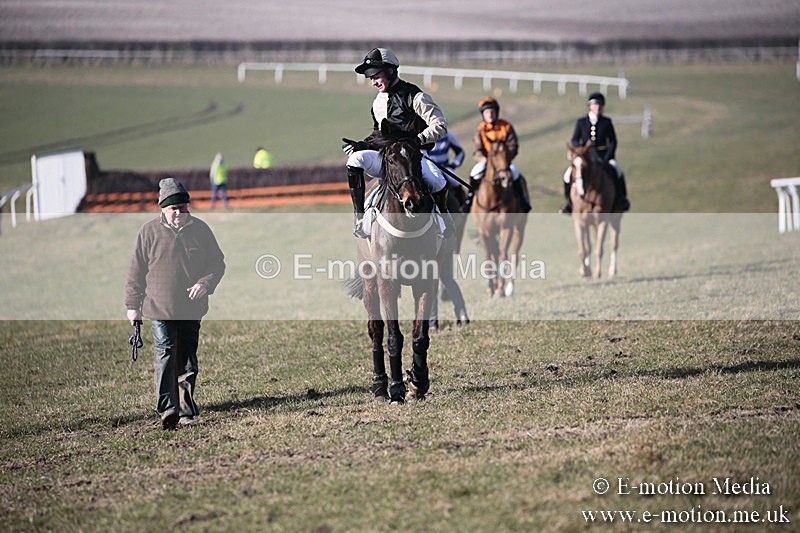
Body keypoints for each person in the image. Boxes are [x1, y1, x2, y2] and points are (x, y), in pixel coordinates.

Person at [125, 177, 226, 430]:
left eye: (183, 207)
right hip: (159, 308)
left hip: (191, 309)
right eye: (174, 208)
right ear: (163, 208)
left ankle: (184, 409)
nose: (180, 212)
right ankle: (167, 408)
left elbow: (217, 263)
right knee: (166, 353)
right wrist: (132, 306)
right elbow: (136, 272)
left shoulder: (201, 230)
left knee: (187, 359)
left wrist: (205, 284)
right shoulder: (148, 233)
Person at [342, 47, 452, 239]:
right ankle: (359, 217)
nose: (374, 82)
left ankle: (443, 216)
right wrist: (361, 145)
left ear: (391, 71)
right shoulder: (377, 104)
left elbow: (440, 124)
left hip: (413, 157)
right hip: (388, 158)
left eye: (376, 76)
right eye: (371, 78)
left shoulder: (416, 96)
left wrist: (418, 140)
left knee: (437, 181)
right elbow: (379, 135)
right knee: (355, 159)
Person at [560, 92, 630, 214]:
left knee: (618, 170)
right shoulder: (581, 122)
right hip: (585, 156)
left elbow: (613, 141)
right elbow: (575, 139)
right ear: (590, 106)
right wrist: (579, 150)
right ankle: (568, 203)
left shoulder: (606, 122)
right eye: (595, 105)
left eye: (600, 105)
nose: (598, 107)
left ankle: (621, 199)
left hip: (603, 156)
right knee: (567, 175)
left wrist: (608, 157)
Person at [462, 97, 531, 213]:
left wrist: (504, 159)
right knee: (474, 173)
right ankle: (469, 201)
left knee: (515, 173)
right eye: (487, 112)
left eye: (492, 111)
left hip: (504, 162)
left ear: (497, 112)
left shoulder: (506, 126)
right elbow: (477, 150)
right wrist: (484, 160)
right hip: (486, 163)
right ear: (483, 114)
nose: (490, 114)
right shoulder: (480, 129)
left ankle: (522, 200)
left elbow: (513, 146)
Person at [424, 131, 467, 208]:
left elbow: (460, 152)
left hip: (444, 168)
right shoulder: (424, 135)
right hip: (429, 168)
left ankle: (463, 204)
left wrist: (454, 164)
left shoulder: (447, 135)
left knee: (455, 181)